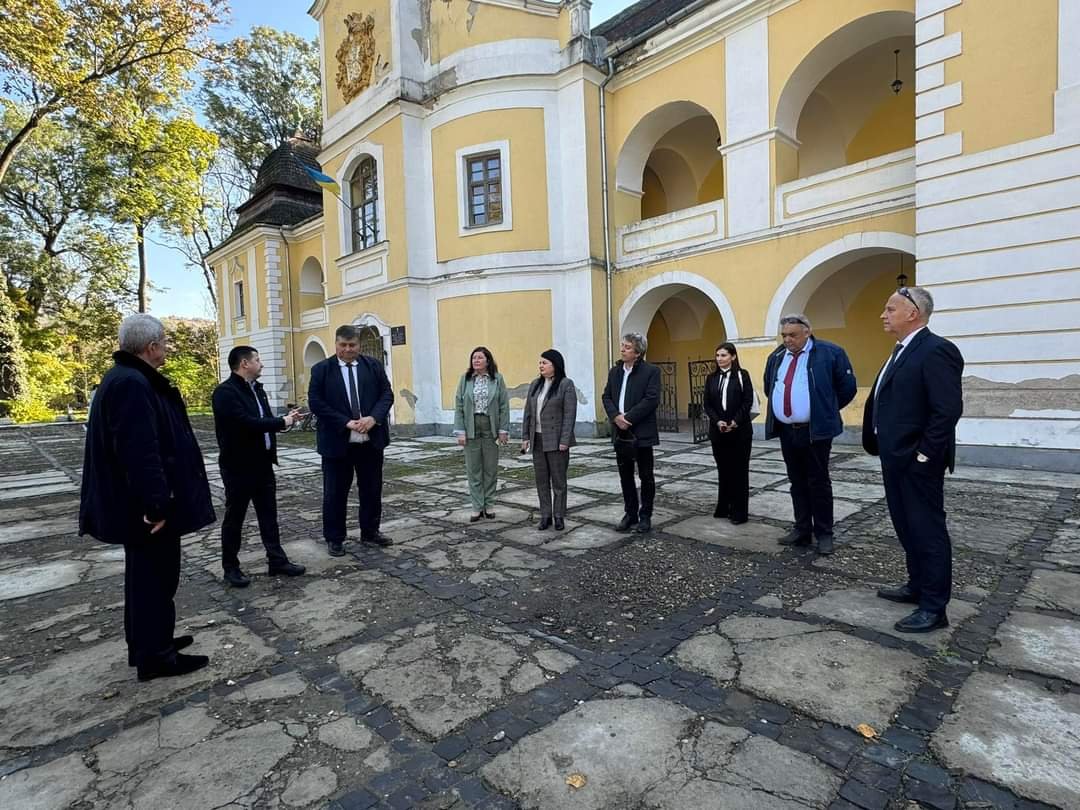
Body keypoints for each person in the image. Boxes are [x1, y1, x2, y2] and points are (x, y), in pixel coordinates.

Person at [79, 314, 214, 681]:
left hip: (139, 508)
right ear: (152, 346)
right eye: (165, 342)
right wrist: (156, 505)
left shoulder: (126, 378)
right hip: (145, 513)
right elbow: (140, 452)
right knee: (154, 580)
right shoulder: (131, 384)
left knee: (148, 579)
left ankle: (152, 642)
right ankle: (156, 657)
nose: (167, 348)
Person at [863, 286, 964, 633]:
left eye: (890, 309)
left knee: (928, 531)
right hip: (895, 458)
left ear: (913, 313)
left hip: (917, 461)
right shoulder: (902, 350)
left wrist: (923, 456)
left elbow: (946, 411)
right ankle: (917, 586)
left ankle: (935, 608)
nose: (883, 315)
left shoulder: (936, 350)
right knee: (906, 527)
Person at [211, 346, 307, 587]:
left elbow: (263, 421)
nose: (261, 364)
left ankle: (277, 561)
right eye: (257, 359)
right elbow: (245, 424)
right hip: (238, 467)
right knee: (235, 518)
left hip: (263, 464)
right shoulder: (225, 393)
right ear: (244, 363)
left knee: (269, 516)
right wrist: (280, 421)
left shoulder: (258, 390)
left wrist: (286, 422)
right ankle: (230, 568)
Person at [763, 314, 856, 556]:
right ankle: (802, 529)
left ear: (807, 332)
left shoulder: (830, 353)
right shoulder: (776, 357)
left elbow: (847, 388)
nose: (787, 340)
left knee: (819, 482)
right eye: (784, 335)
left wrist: (824, 410)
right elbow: (768, 386)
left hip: (815, 431)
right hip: (787, 431)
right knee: (797, 481)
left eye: (792, 335)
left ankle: (824, 533)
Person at [308, 325, 394, 557]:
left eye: (352, 345)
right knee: (335, 492)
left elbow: (387, 394)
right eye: (343, 345)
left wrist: (374, 418)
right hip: (337, 443)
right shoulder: (321, 370)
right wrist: (345, 422)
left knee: (371, 489)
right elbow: (316, 402)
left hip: (370, 440)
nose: (347, 350)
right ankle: (335, 538)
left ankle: (370, 531)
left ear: (359, 344)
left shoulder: (373, 366)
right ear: (336, 344)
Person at [601, 332, 661, 533]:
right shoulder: (615, 371)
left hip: (641, 432)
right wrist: (616, 416)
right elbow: (606, 396)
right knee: (625, 476)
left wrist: (629, 418)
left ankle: (646, 516)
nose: (622, 349)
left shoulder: (651, 371)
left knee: (646, 476)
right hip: (621, 433)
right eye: (623, 346)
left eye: (627, 347)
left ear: (638, 352)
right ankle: (630, 513)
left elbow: (651, 399)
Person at [521, 349, 577, 531]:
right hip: (537, 439)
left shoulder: (565, 385)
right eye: (540, 363)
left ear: (555, 365)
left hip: (556, 440)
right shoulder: (535, 384)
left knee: (558, 481)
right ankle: (545, 515)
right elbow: (527, 413)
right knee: (541, 480)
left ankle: (559, 515)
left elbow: (569, 415)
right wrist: (525, 437)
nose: (541, 366)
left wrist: (565, 440)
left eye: (544, 363)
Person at [454, 346, 510, 521]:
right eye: (473, 358)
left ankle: (489, 504)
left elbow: (503, 406)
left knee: (490, 469)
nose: (476, 361)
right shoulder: (465, 379)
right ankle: (477, 506)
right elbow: (459, 406)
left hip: (490, 427)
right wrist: (460, 431)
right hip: (471, 427)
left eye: (479, 358)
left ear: (488, 361)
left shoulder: (497, 379)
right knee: (474, 469)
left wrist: (503, 430)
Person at [703, 342, 754, 525]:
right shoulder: (711, 378)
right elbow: (707, 403)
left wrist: (735, 422)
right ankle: (724, 507)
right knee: (723, 470)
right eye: (717, 355)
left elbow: (747, 401)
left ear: (733, 356)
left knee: (739, 471)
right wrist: (718, 421)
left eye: (723, 355)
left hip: (739, 432)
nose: (719, 359)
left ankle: (739, 512)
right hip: (718, 432)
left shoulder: (742, 375)